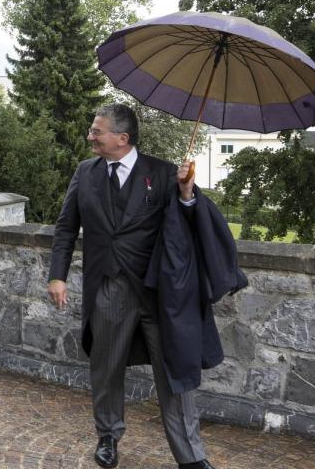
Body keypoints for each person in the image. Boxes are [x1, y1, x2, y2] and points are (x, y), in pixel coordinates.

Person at [47, 104, 216, 469]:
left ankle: (191, 455)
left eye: (97, 131)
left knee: (175, 371)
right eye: (93, 130)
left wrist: (187, 192)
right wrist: (57, 275)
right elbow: (65, 228)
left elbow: (187, 226)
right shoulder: (85, 172)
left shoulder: (165, 173)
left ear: (122, 138)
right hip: (108, 287)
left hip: (159, 293)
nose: (90, 136)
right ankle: (108, 436)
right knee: (106, 368)